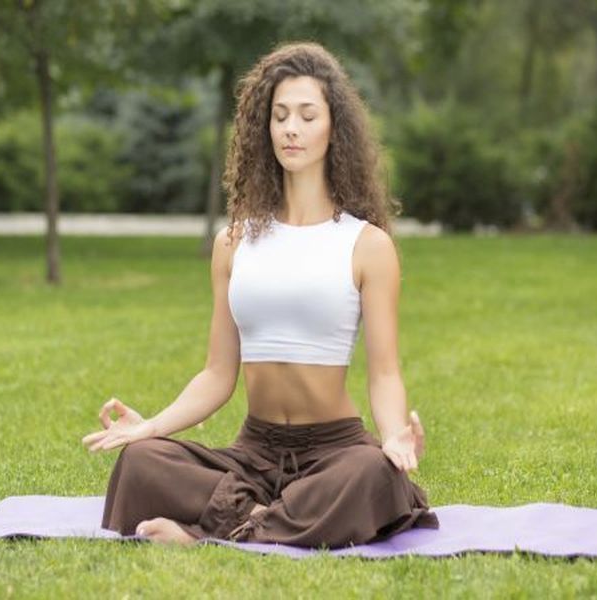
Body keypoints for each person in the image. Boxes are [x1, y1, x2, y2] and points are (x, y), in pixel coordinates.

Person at [81, 41, 440, 548]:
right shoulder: (233, 243)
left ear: (334, 126)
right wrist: (151, 427)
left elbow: (384, 373)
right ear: (264, 126)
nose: (290, 128)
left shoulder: (367, 245)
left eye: (307, 115)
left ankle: (219, 530)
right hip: (252, 451)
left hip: (333, 452)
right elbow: (216, 374)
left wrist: (394, 435)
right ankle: (269, 521)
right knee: (143, 462)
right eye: (280, 116)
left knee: (374, 472)